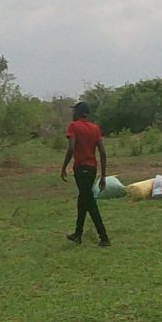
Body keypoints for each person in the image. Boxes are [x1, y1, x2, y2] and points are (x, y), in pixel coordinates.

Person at [61, 100, 110, 247]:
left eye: (73, 111)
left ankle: (104, 237)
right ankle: (78, 234)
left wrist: (64, 167)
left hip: (80, 169)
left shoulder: (73, 127)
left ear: (78, 112)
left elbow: (71, 148)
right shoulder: (95, 128)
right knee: (83, 200)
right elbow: (102, 152)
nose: (72, 114)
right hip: (92, 169)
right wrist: (103, 175)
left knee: (89, 202)